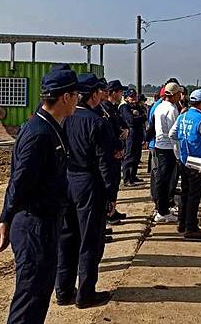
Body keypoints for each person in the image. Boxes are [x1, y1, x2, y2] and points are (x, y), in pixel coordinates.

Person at [0, 70, 79, 324]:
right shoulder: (39, 133)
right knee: (30, 298)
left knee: (40, 293)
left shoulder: (52, 127)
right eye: (76, 95)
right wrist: (5, 219)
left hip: (47, 221)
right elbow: (19, 181)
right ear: (65, 97)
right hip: (34, 225)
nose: (78, 100)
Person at [56, 73, 117, 309]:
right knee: (90, 241)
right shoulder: (97, 122)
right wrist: (111, 194)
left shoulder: (64, 118)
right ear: (92, 95)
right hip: (89, 184)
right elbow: (106, 163)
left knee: (67, 237)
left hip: (67, 180)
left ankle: (63, 291)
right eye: (99, 92)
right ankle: (85, 294)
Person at [171, 89, 201, 240]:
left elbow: (172, 134)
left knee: (185, 192)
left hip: (184, 160)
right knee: (194, 195)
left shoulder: (183, 116)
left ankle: (182, 222)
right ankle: (191, 227)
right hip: (197, 162)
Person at [152, 82, 183, 223]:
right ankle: (162, 210)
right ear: (175, 94)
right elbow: (173, 133)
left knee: (162, 179)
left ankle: (161, 208)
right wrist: (178, 153)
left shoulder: (159, 107)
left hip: (160, 145)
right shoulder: (171, 109)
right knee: (165, 181)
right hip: (168, 147)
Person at [100, 80, 129, 225]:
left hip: (117, 151)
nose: (121, 95)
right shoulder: (104, 109)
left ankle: (112, 210)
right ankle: (108, 213)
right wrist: (116, 147)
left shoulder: (114, 108)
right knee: (109, 184)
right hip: (110, 154)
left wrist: (125, 131)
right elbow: (109, 133)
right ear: (112, 93)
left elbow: (121, 124)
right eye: (120, 92)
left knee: (115, 183)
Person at [120, 89, 146, 186]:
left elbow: (144, 115)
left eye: (135, 96)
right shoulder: (124, 107)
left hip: (138, 133)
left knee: (136, 156)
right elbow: (130, 120)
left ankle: (133, 176)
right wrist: (140, 118)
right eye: (131, 96)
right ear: (126, 98)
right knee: (129, 156)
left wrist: (139, 117)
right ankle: (127, 179)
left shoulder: (137, 106)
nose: (134, 98)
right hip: (130, 134)